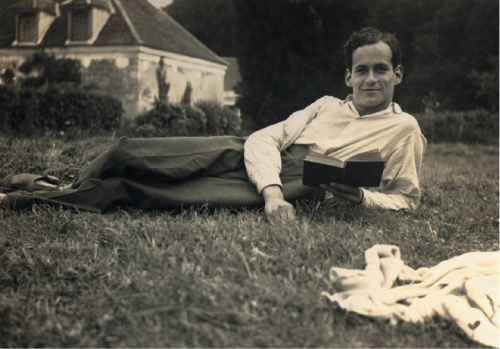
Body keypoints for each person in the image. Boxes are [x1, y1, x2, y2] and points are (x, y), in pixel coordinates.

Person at [0, 27, 426, 223]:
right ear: (348, 76)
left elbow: (406, 200)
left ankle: (28, 198)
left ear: (398, 74)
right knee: (129, 151)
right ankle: (58, 183)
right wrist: (271, 193)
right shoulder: (326, 104)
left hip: (304, 182)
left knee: (136, 192)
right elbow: (264, 137)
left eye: (382, 69)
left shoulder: (404, 129)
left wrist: (361, 198)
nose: (372, 79)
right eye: (362, 70)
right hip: (251, 154)